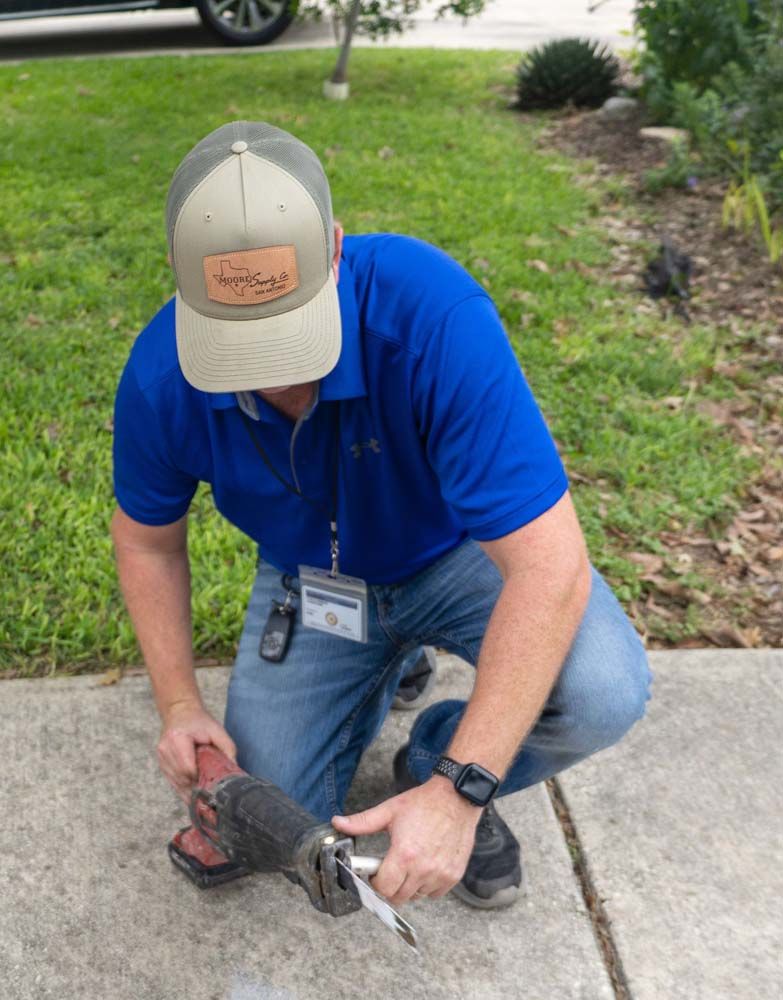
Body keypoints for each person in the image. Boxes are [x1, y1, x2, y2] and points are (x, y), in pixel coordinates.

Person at [111, 120, 652, 912]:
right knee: (270, 810)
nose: (272, 379)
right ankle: (386, 660)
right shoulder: (160, 377)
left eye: (288, 334)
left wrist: (460, 788)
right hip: (313, 576)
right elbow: (147, 544)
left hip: (456, 555)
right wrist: (180, 705)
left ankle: (434, 752)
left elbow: (548, 566)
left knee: (602, 689)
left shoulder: (431, 311)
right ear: (182, 278)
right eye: (241, 344)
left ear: (334, 249)